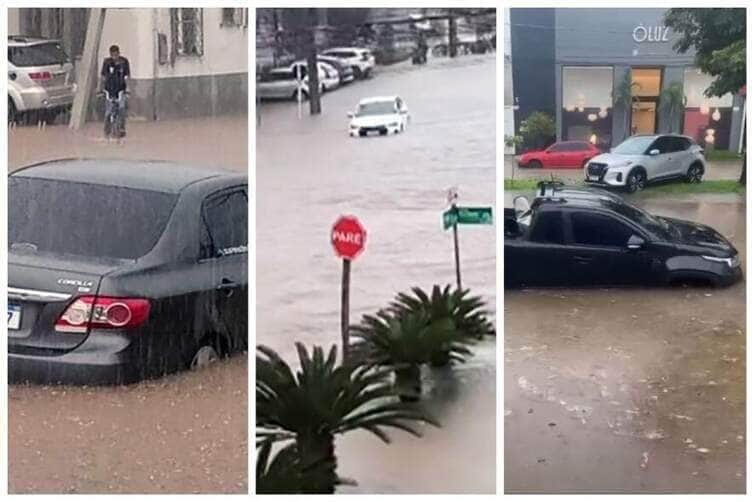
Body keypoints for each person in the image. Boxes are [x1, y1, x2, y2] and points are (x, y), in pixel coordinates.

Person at [100, 44, 130, 137]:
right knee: (108, 111)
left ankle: (121, 128)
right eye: (113, 55)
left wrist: (128, 88)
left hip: (121, 89)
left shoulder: (124, 62)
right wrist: (100, 88)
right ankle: (106, 130)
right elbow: (103, 76)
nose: (115, 57)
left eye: (116, 54)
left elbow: (127, 76)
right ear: (110, 54)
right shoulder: (107, 62)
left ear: (118, 53)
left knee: (121, 108)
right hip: (109, 89)